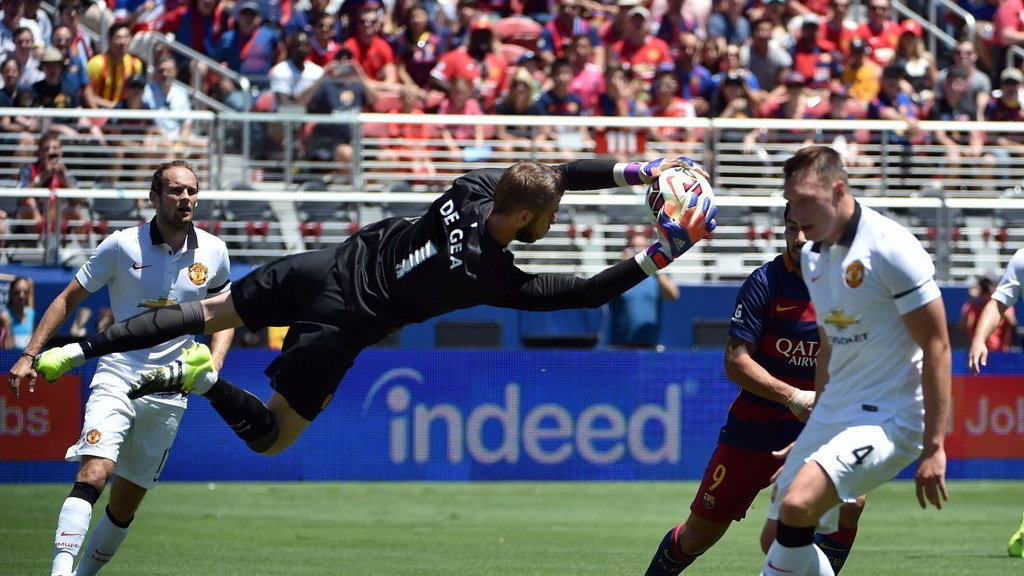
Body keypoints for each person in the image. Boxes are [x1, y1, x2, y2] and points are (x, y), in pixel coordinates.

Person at [31, 158, 719, 458]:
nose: (555, 216)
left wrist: (647, 170)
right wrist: (665, 250)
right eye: (550, 214)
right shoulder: (486, 275)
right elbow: (584, 291)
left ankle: (78, 351)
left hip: (324, 263)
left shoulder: (472, 188)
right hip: (343, 324)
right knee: (272, 437)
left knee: (201, 313)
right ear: (528, 215)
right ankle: (206, 380)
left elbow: (562, 173)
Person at [6, 160, 234, 576]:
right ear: (154, 197)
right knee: (95, 472)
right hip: (118, 375)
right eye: (175, 190)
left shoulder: (214, 252)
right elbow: (67, 298)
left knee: (126, 503)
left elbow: (225, 314)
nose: (185, 198)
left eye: (191, 191)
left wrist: (213, 366)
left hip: (171, 387)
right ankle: (60, 572)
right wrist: (29, 354)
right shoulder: (121, 245)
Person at [760, 145, 950, 576]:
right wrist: (818, 425)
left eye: (806, 200)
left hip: (893, 417)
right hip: (836, 413)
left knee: (797, 504)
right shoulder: (812, 258)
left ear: (839, 189)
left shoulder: (892, 249)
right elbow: (830, 344)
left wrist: (935, 447)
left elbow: (938, 345)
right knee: (773, 539)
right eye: (791, 201)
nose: (797, 213)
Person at [643, 205, 863, 576]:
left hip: (821, 426)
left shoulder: (849, 284)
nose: (800, 238)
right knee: (699, 535)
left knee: (851, 504)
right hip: (756, 430)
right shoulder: (766, 282)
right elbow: (736, 361)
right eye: (791, 228)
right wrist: (794, 397)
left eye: (807, 228)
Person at [608, 230, 679, 349]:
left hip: (650, 346)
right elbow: (605, 291)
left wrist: (654, 266)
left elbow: (673, 295)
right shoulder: (619, 275)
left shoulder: (655, 277)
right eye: (633, 248)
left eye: (642, 249)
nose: (637, 253)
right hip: (621, 347)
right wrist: (623, 267)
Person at [961, 276, 1016, 353]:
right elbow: (965, 326)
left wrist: (997, 298)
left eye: (990, 285)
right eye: (984, 286)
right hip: (978, 353)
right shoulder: (972, 306)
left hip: (1001, 354)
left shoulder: (1004, 305)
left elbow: (1012, 322)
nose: (987, 289)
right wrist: (972, 300)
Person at [1, 276, 35, 349]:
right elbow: (8, 349)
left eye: (25, 292)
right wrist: (7, 328)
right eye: (17, 292)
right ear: (11, 293)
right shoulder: (4, 316)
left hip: (28, 358)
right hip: (12, 358)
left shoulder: (30, 313)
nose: (21, 295)